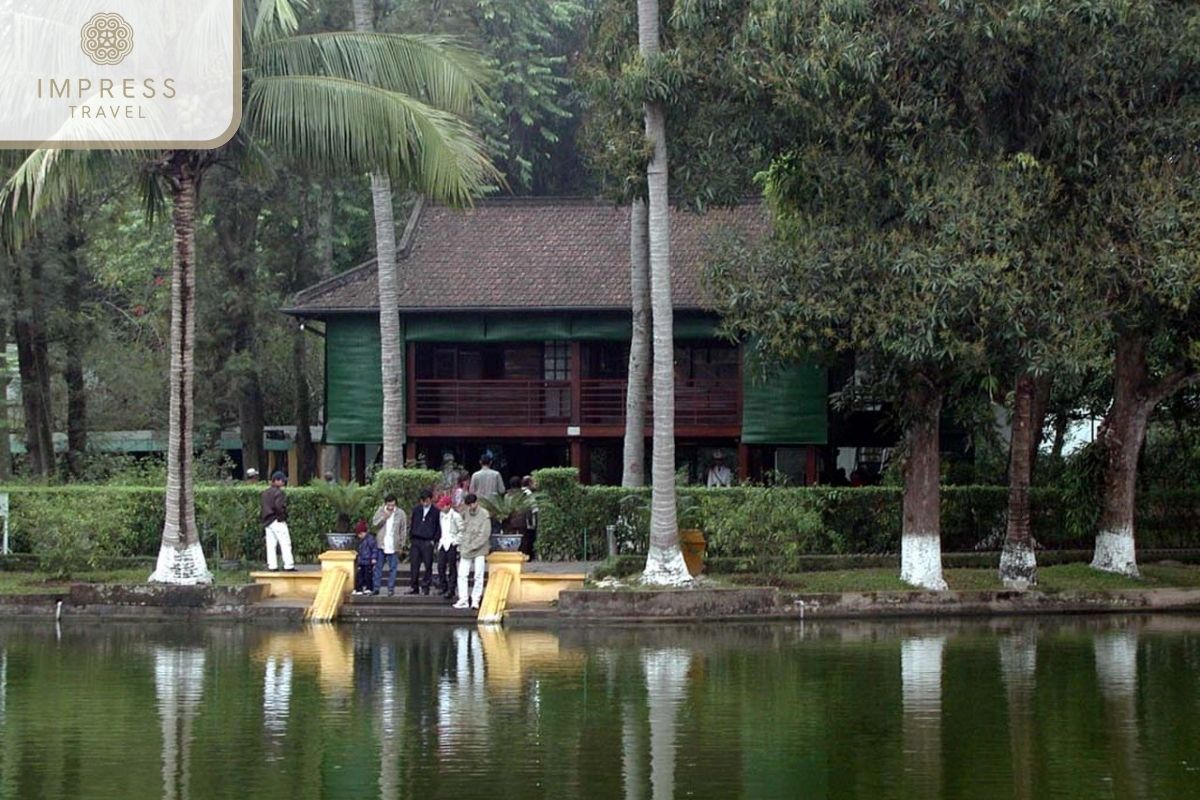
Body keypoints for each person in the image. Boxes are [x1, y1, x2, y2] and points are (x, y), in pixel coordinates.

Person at [455, 493, 490, 610]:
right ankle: (463, 599)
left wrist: (473, 545)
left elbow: (484, 534)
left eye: (472, 504)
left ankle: (475, 600)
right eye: (468, 505)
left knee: (478, 575)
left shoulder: (484, 514)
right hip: (466, 547)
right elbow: (459, 523)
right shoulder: (465, 512)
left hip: (479, 549)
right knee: (462, 574)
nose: (470, 507)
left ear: (476, 502)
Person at [371, 493, 406, 596]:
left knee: (393, 568)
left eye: (393, 505)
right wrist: (384, 517)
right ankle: (376, 588)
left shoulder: (401, 513)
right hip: (381, 544)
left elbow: (403, 530)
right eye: (389, 505)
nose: (391, 507)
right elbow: (374, 524)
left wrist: (401, 544)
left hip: (393, 545)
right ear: (385, 504)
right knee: (378, 567)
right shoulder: (380, 511)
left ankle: (390, 589)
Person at [261, 471, 295, 571]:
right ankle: (289, 565)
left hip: (268, 521)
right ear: (276, 481)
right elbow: (279, 507)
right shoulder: (279, 493)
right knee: (285, 542)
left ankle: (272, 566)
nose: (283, 482)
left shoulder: (265, 493)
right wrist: (282, 517)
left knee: (271, 545)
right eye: (282, 480)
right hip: (277, 520)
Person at [408, 489, 439, 595]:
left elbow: (438, 527)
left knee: (428, 565)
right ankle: (414, 586)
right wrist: (411, 537)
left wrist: (434, 540)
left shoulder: (436, 512)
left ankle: (426, 586)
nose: (424, 503)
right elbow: (412, 523)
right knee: (414, 564)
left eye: (426, 500)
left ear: (431, 500)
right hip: (416, 540)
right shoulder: (416, 510)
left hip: (428, 541)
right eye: (423, 501)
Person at [435, 495, 463, 600]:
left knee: (452, 567)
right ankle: (443, 586)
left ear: (449, 505)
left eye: (443, 506)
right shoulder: (441, 515)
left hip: (452, 542)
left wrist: (456, 541)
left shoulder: (456, 516)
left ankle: (451, 589)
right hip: (443, 542)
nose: (442, 508)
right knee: (440, 566)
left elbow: (461, 530)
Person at [469, 454, 505, 534]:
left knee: (481, 530)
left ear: (480, 462)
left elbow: (471, 492)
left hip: (480, 507)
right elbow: (502, 490)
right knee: (494, 530)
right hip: (494, 507)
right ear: (491, 462)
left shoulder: (475, 475)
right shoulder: (496, 474)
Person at [352, 520, 379, 596]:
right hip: (361, 561)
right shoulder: (360, 541)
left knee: (368, 576)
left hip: (368, 561)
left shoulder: (370, 539)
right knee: (359, 575)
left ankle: (369, 588)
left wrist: (374, 558)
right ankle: (359, 588)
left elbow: (374, 549)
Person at [520, 475, 538, 561]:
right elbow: (533, 507)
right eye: (533, 482)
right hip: (528, 519)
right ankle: (529, 556)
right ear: (529, 483)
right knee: (529, 538)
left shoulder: (519, 492)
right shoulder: (528, 493)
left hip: (520, 520)